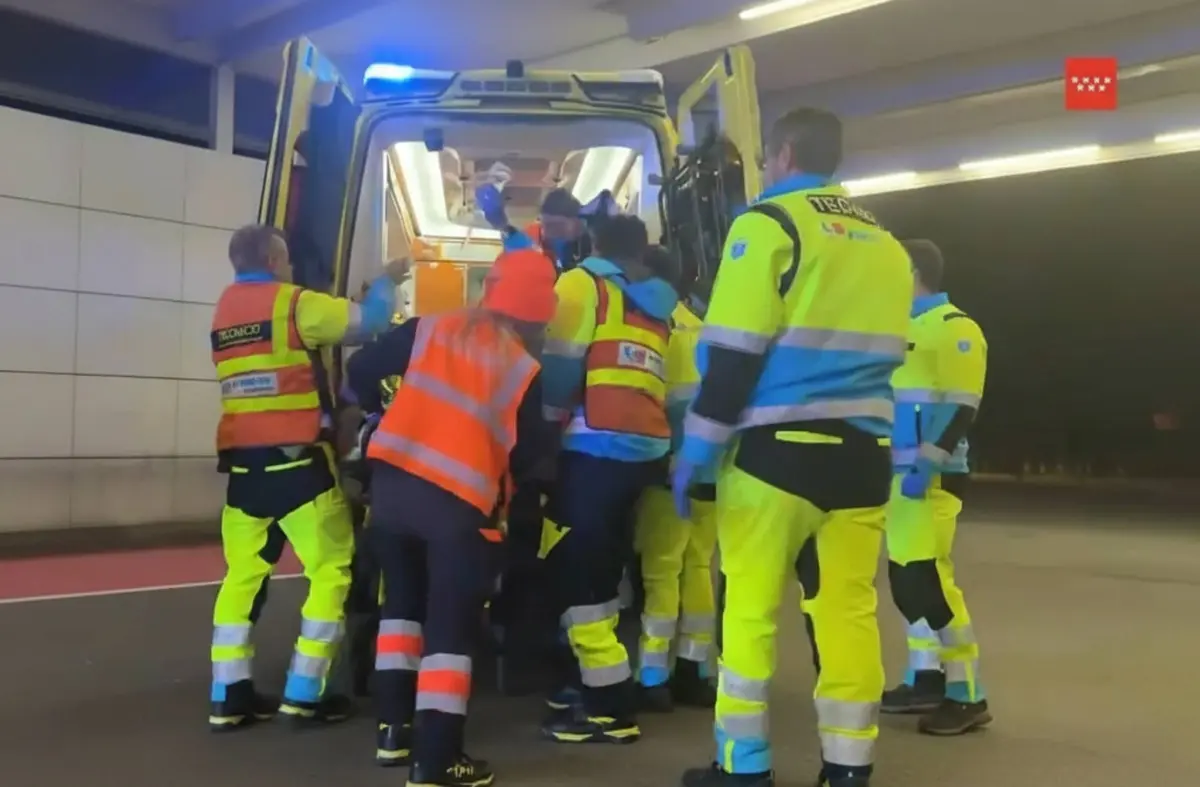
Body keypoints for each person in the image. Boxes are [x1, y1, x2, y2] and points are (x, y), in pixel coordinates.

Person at [672, 108, 913, 787]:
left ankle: (743, 767)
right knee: (847, 615)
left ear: (780, 154)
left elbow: (733, 357)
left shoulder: (769, 226)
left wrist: (695, 452)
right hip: (863, 458)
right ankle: (848, 768)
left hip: (775, 453)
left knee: (748, 612)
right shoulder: (886, 244)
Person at [346, 248, 558, 787]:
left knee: (400, 612)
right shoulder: (523, 369)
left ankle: (393, 734)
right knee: (449, 630)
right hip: (457, 507)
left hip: (392, 491)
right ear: (538, 312)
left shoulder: (430, 328)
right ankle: (438, 761)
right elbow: (530, 452)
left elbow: (360, 370)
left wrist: (387, 412)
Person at [208, 224, 399, 731]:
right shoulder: (294, 304)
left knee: (242, 577)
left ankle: (229, 695)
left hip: (243, 470)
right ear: (274, 259)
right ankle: (305, 693)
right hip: (297, 467)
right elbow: (372, 322)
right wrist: (388, 281)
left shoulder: (225, 311)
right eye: (286, 260)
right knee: (332, 569)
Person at [537, 215, 679, 744]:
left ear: (593, 245)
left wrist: (546, 431)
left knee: (577, 573)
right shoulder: (657, 303)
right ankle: (587, 681)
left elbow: (561, 363)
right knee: (607, 569)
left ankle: (606, 704)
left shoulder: (583, 285)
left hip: (592, 445)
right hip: (646, 450)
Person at [879, 239, 991, 735]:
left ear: (912, 271)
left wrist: (930, 463)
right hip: (898, 476)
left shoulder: (956, 328)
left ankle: (967, 692)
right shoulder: (898, 329)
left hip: (931, 477)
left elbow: (963, 405)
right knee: (908, 583)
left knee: (924, 581)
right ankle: (925, 677)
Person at [633, 247, 718, 712]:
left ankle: (651, 676)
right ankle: (694, 667)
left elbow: (661, 404)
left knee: (661, 569)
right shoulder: (702, 328)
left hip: (669, 467)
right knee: (699, 566)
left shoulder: (659, 330)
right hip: (710, 469)